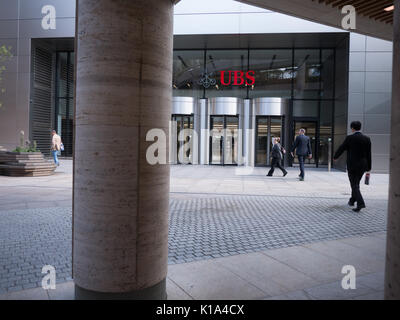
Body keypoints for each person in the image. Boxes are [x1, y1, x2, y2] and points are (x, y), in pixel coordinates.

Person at [333, 121, 371, 212]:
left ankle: (360, 203)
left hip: (352, 165)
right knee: (356, 183)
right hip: (362, 165)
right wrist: (369, 167)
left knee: (354, 185)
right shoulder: (367, 138)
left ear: (352, 128)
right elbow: (369, 154)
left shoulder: (350, 138)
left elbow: (342, 148)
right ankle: (352, 200)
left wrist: (335, 157)